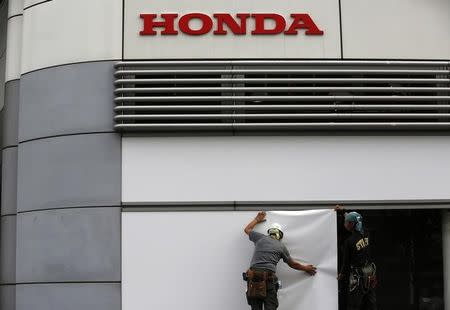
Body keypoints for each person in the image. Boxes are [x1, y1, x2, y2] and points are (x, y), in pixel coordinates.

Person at [243, 211, 317, 310]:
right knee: (271, 307)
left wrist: (257, 219)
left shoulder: (260, 238)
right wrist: (306, 268)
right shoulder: (281, 247)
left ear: (269, 232)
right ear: (280, 235)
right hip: (268, 279)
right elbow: (293, 264)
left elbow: (247, 229)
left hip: (253, 278)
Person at [335, 205, 377, 310]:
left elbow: (346, 262)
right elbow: (357, 219)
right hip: (369, 271)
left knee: (354, 303)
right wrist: (343, 212)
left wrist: (341, 274)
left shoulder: (349, 241)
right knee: (370, 300)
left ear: (351, 224)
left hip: (358, 275)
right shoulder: (366, 232)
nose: (344, 223)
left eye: (346, 222)